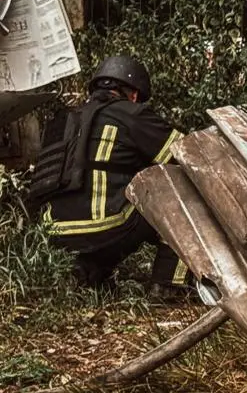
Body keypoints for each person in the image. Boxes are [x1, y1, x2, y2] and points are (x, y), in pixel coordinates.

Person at [27, 55, 190, 291]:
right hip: (107, 227)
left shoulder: (62, 121)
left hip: (54, 234)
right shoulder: (133, 114)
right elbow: (185, 157)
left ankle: (87, 273)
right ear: (133, 94)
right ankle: (167, 286)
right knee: (182, 197)